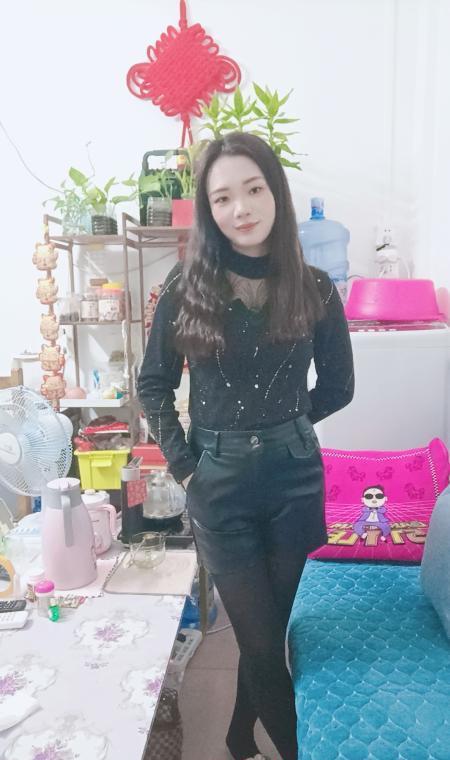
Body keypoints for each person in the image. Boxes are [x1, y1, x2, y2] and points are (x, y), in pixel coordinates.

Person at [137, 132, 354, 760]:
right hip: (218, 483)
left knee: (266, 635)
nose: (241, 208)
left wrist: (288, 426)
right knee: (262, 644)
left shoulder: (315, 287)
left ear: (275, 193)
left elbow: (339, 386)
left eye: (254, 189)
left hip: (294, 480)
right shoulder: (186, 285)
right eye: (223, 197)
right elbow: (153, 383)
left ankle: (237, 737)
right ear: (209, 209)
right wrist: (186, 467)